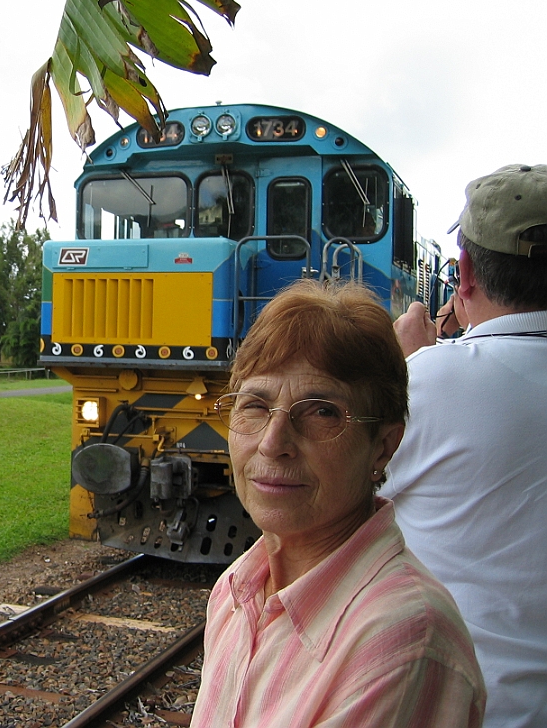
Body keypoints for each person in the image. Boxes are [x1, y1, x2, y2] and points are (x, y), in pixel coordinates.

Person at [190, 280, 485, 728]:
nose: (272, 444)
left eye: (322, 411)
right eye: (254, 405)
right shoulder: (236, 591)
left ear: (383, 447)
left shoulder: (401, 641)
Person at [387, 163, 547, 728]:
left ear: (466, 273)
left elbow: (336, 496)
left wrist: (403, 368)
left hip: (457, 709)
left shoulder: (428, 380)